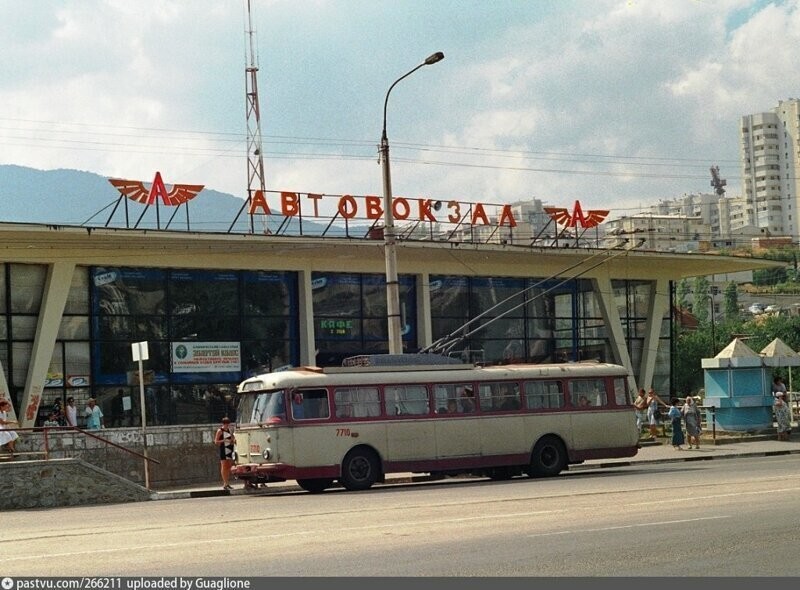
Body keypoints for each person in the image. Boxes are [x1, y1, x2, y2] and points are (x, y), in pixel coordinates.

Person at [214, 416, 236, 490]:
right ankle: (225, 483)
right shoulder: (220, 431)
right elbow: (216, 441)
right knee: (224, 466)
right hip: (223, 449)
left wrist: (233, 440)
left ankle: (227, 483)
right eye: (225, 423)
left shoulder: (229, 430)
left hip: (229, 448)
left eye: (228, 423)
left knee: (228, 466)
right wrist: (223, 440)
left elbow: (232, 438)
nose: (227, 425)